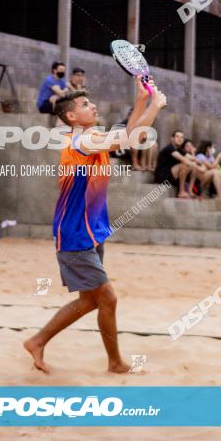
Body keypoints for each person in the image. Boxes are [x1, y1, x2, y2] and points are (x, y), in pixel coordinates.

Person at [24, 78, 167, 374]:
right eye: (85, 104)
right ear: (72, 117)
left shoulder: (91, 136)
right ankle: (114, 362)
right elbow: (132, 140)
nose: (93, 106)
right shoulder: (82, 141)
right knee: (108, 298)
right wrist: (156, 105)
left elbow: (127, 134)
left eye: (90, 102)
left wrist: (141, 100)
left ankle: (38, 341)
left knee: (90, 300)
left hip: (90, 231)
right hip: (76, 235)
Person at [154, 130, 196, 198]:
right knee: (184, 165)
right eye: (177, 136)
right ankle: (181, 192)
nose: (180, 139)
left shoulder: (179, 150)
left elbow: (194, 159)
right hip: (162, 176)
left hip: (172, 175)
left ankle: (190, 191)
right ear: (172, 138)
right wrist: (194, 165)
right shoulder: (169, 148)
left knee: (193, 167)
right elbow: (183, 159)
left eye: (182, 137)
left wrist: (193, 152)